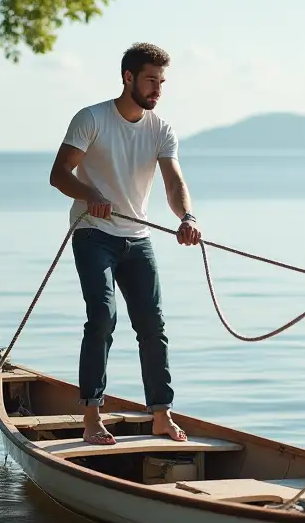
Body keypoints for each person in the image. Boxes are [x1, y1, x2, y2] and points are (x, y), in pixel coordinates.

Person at [50, 42, 202, 446]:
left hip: (138, 239)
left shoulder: (161, 129)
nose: (157, 89)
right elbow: (59, 174)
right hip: (92, 233)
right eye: (151, 80)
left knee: (153, 325)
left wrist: (186, 217)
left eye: (162, 82)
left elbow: (174, 182)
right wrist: (89, 195)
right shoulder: (92, 118)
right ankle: (91, 417)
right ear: (128, 77)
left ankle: (161, 415)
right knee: (102, 316)